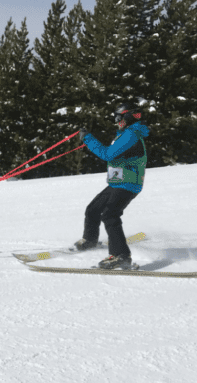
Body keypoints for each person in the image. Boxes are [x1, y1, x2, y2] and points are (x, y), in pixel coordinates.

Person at [75, 102, 150, 269]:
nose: (116, 121)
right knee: (93, 209)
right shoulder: (126, 134)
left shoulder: (131, 135)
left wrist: (88, 138)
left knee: (110, 215)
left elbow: (108, 154)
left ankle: (121, 255)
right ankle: (90, 240)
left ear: (127, 117)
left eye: (118, 117)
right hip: (119, 181)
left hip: (129, 183)